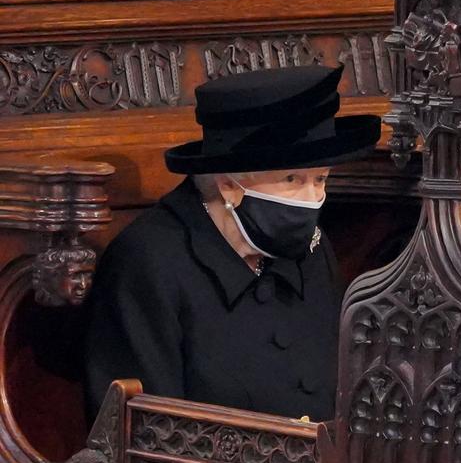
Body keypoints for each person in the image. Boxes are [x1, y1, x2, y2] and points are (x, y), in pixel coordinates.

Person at [84, 65, 381, 421]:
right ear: (228, 185)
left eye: (320, 179)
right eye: (291, 178)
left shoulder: (314, 250)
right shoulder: (148, 263)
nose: (312, 198)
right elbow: (142, 437)